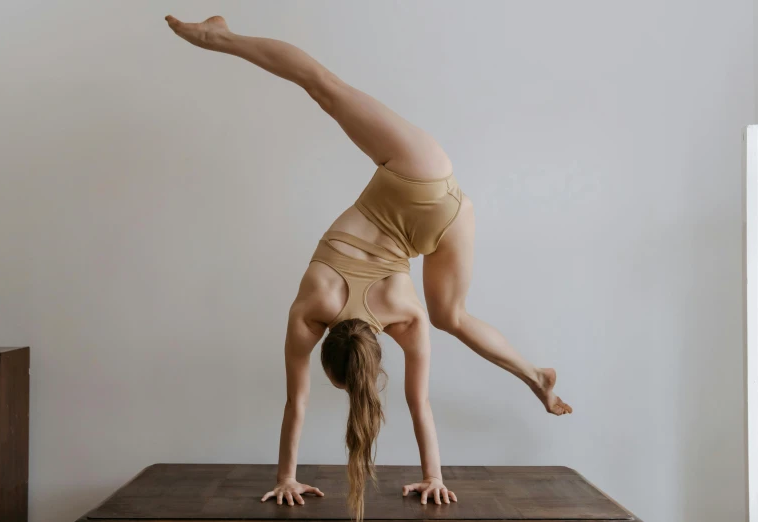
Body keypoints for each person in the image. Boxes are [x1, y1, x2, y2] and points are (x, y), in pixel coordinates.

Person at [165, 15, 572, 521]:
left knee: (452, 316)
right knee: (324, 87)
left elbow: (413, 406)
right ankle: (218, 37)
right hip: (419, 172)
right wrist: (284, 476)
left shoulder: (405, 319)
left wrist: (434, 477)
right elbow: (297, 402)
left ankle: (536, 375)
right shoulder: (314, 307)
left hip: (447, 223)